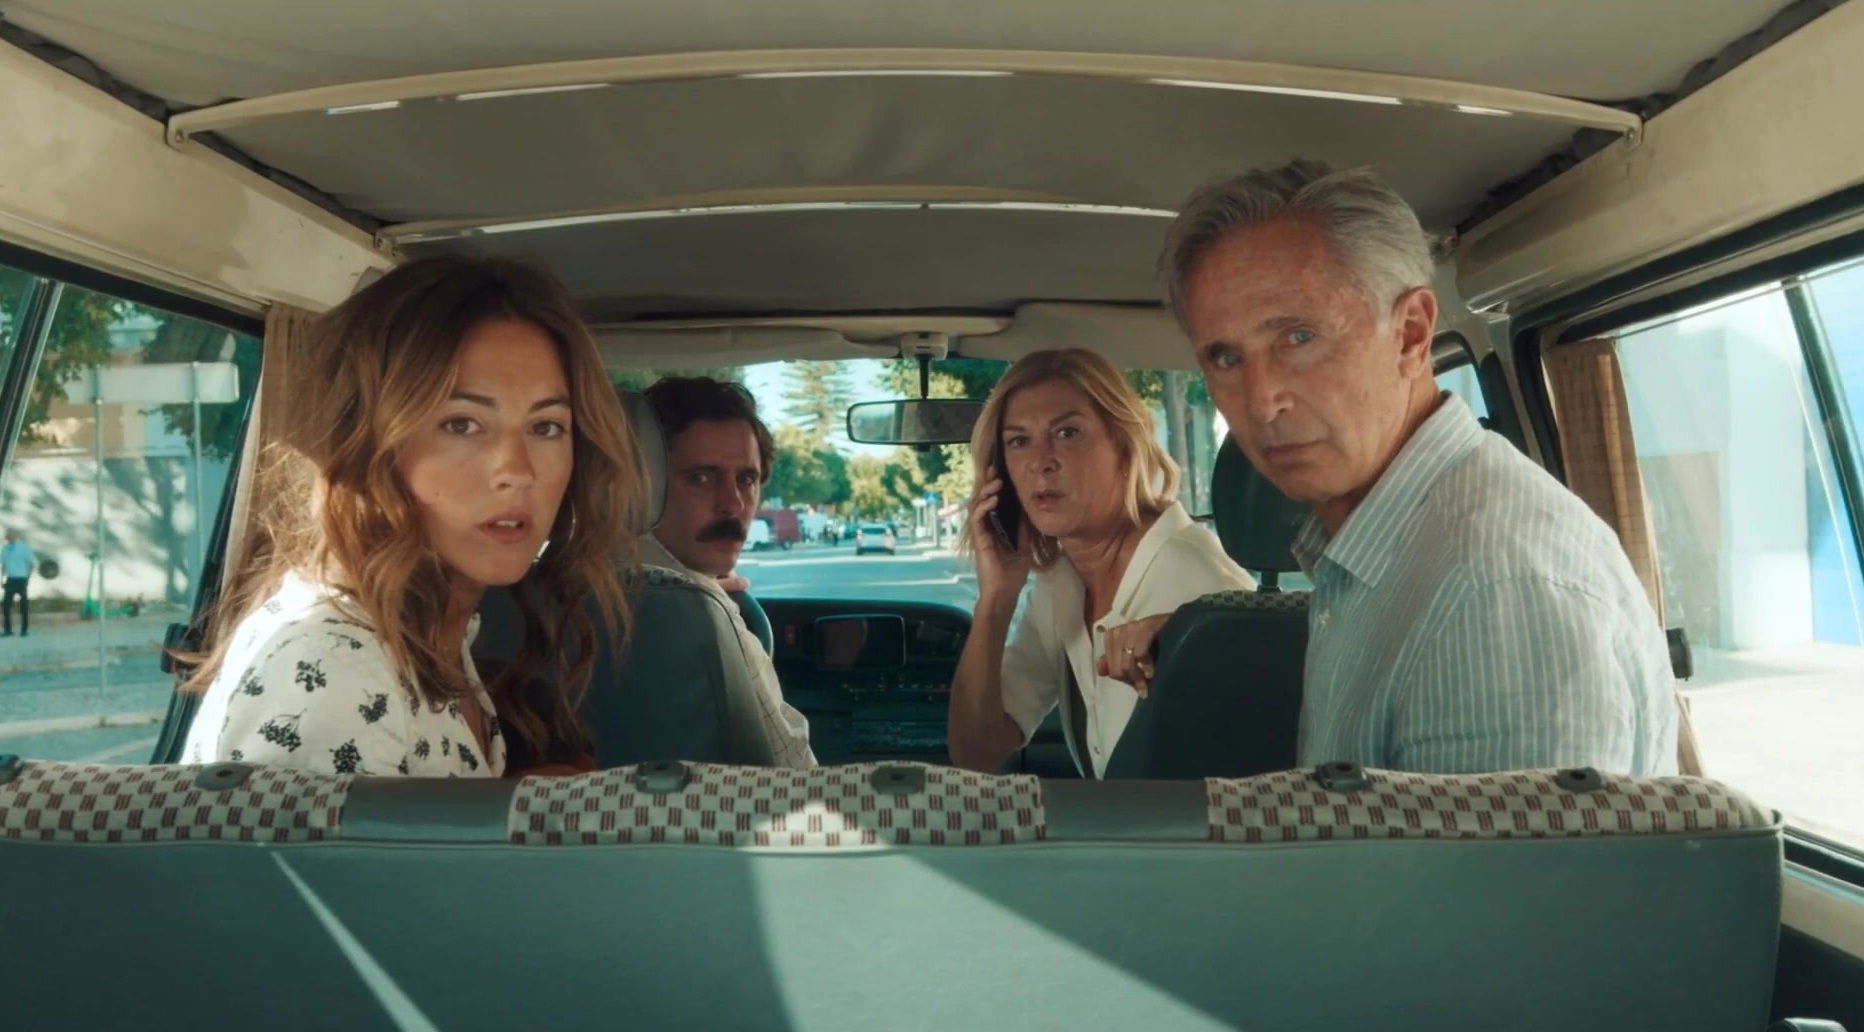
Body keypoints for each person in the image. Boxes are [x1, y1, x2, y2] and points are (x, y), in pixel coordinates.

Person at [1162, 158, 1678, 776]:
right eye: (1226, 358)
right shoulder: (1378, 558)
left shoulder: (1489, 596)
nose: (1261, 400)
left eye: (1299, 337)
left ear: (1410, 334)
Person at [179, 255, 639, 777]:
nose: (517, 471)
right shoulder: (335, 667)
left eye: (546, 427)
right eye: (462, 424)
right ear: (368, 446)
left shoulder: (432, 634)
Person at [946, 348, 1255, 777]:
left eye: (1067, 433)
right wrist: (996, 599)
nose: (1040, 462)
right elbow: (976, 752)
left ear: (1124, 447)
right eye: (1018, 441)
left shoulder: (1197, 579)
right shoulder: (1060, 582)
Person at [638, 376, 816, 768]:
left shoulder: (540, 591)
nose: (732, 504)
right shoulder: (704, 614)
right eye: (701, 478)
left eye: (747, 479)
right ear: (641, 485)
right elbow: (793, 778)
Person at [1, 529, 33, 637]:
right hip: (10, 579)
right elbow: (3, 565)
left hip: (21, 578)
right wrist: (2, 578)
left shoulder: (23, 548)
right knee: (6, 605)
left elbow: (30, 564)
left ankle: (24, 629)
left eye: (10, 536)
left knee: (23, 605)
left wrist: (27, 579)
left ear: (15, 536)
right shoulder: (5, 549)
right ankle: (7, 629)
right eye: (7, 536)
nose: (8, 538)